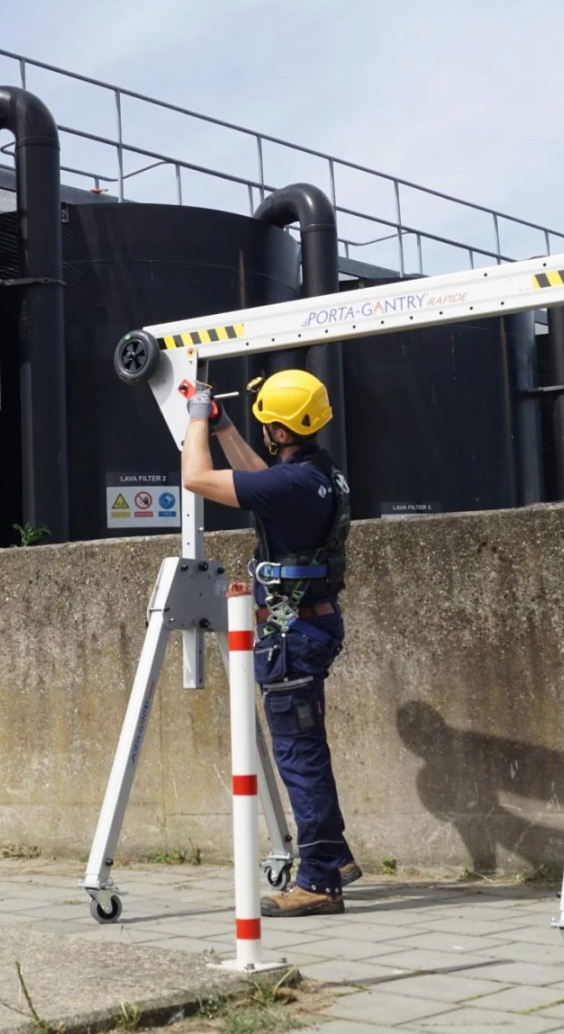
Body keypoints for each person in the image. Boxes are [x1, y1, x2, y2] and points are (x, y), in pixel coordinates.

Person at [181, 368, 361, 917]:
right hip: (311, 623)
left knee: (300, 755)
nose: (263, 433)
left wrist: (194, 419)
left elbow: (196, 479)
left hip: (295, 636)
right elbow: (259, 477)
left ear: (281, 430)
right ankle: (334, 855)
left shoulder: (293, 484)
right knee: (306, 750)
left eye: (266, 423)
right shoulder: (316, 473)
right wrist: (223, 423)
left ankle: (319, 881)